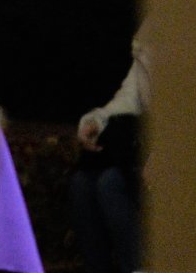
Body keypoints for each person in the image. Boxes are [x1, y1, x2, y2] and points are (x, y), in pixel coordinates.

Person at [70, 24, 148, 273]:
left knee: (111, 183)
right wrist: (97, 121)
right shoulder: (153, 35)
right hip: (145, 149)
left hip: (182, 153)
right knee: (82, 183)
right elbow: (128, 99)